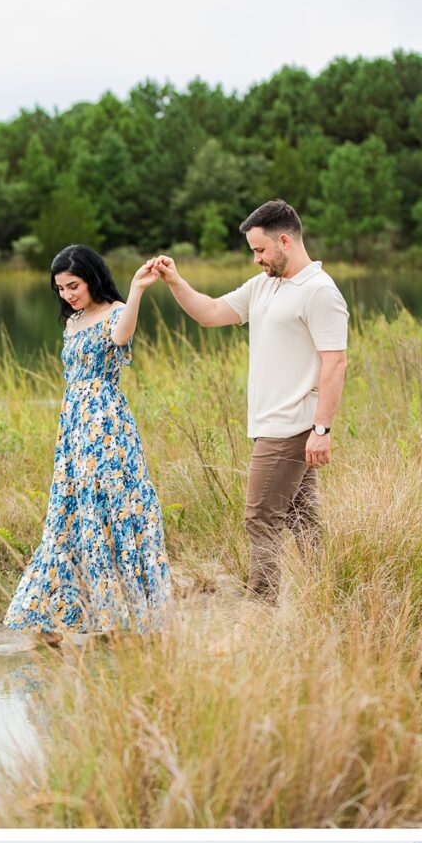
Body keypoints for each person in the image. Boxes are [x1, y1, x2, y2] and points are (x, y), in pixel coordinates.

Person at [147, 202, 348, 600]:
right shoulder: (265, 285)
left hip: (290, 426)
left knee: (260, 518)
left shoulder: (320, 292)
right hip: (273, 424)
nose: (256, 259)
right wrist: (175, 281)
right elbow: (211, 313)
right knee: (303, 518)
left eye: (260, 250)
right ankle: (323, 598)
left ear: (285, 241)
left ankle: (260, 609)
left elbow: (335, 361)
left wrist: (322, 430)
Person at [5, 245, 171, 640]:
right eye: (61, 289)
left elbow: (121, 335)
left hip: (107, 428)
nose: (67, 295)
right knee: (68, 515)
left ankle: (119, 618)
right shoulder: (73, 321)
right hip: (75, 429)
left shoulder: (115, 312)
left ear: (91, 277)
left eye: (73, 285)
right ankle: (52, 615)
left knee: (111, 510)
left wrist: (136, 290)